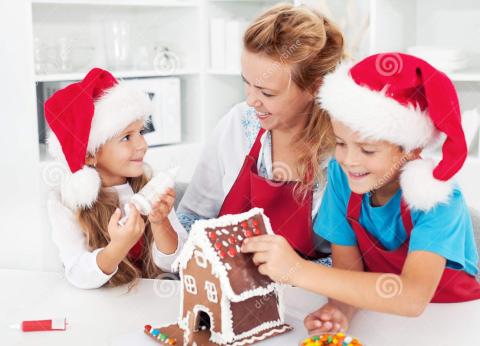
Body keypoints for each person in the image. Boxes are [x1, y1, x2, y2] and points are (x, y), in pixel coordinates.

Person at [241, 53, 480, 333]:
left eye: (367, 149)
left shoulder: (438, 198)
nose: (349, 160)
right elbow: (349, 273)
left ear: (411, 149)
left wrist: (297, 270)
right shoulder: (344, 179)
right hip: (381, 318)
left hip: (453, 321)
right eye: (341, 143)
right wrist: (340, 309)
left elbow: (412, 298)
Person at [178, 3, 344, 259]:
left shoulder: (343, 147)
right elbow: (192, 217)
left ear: (315, 87)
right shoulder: (237, 124)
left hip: (309, 295)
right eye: (246, 83)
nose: (251, 100)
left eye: (267, 92)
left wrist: (290, 273)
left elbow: (353, 264)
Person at [45, 68, 187, 289]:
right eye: (127, 137)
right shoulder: (65, 204)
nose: (142, 145)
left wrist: (161, 223)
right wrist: (118, 247)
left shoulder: (149, 187)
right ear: (90, 154)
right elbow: (78, 274)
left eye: (141, 132)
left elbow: (175, 264)